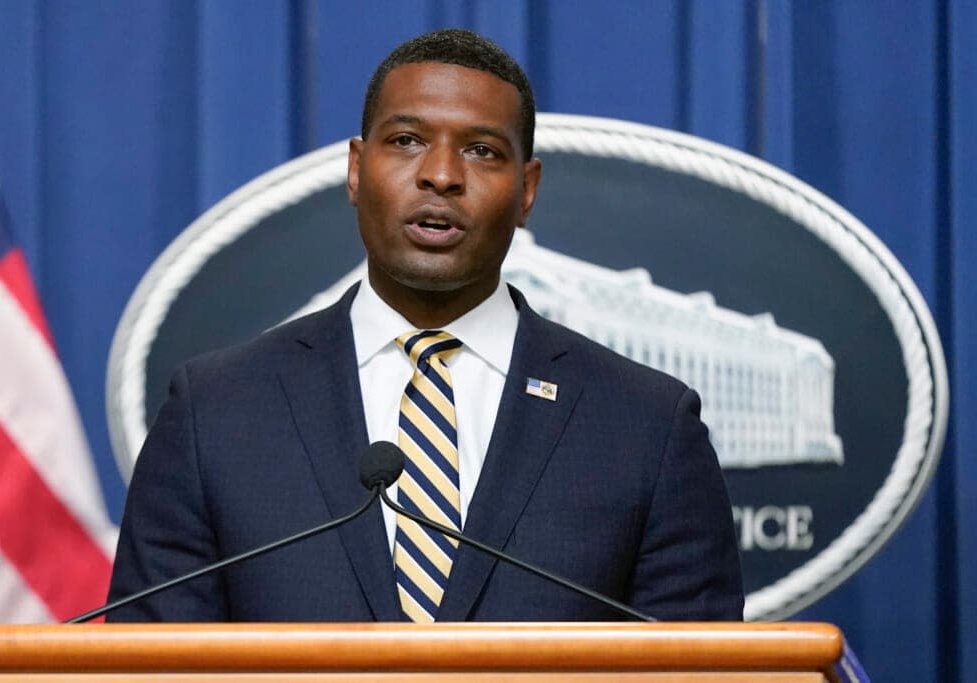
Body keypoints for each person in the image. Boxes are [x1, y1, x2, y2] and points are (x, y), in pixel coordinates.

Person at [107, 28, 743, 622]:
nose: (441, 174)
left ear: (527, 190)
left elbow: (699, 666)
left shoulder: (647, 427)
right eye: (407, 140)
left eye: (482, 150)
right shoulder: (213, 414)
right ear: (357, 170)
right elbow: (149, 662)